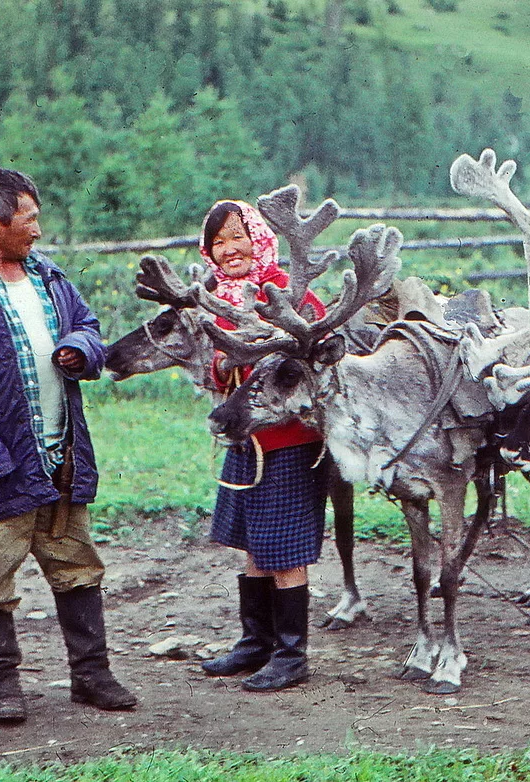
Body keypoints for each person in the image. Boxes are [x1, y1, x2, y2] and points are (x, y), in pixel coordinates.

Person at [0, 168, 137, 723]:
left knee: (78, 566)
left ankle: (91, 675)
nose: (38, 229)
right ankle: (3, 686)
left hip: (59, 460)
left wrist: (80, 350)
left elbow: (86, 324)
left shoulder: (50, 277)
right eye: (29, 218)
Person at [197, 199, 329, 692]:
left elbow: (312, 361)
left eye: (238, 236)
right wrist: (223, 365)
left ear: (259, 237)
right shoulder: (223, 299)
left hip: (288, 442)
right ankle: (257, 642)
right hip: (245, 440)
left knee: (284, 550)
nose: (229, 249)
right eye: (219, 241)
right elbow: (218, 365)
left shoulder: (291, 294)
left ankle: (291, 654)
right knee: (254, 545)